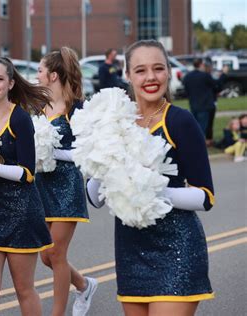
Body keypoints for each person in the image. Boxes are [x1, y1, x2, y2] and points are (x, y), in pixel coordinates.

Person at [87, 40, 215, 316]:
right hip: (130, 250)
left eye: (158, 68)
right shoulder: (116, 122)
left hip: (177, 248)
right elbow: (95, 198)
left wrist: (147, 191)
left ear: (169, 71)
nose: (150, 77)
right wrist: (106, 147)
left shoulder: (180, 121)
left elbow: (205, 197)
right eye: (141, 70)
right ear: (127, 74)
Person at [0, 57, 53, 316]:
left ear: (10, 83)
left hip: (21, 212)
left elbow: (27, 173)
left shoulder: (20, 119)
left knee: (23, 289)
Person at [35, 47, 97, 316]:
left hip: (66, 187)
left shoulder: (77, 109)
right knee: (46, 256)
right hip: (40, 186)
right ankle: (84, 285)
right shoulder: (39, 105)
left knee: (56, 254)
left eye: (39, 70)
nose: (36, 75)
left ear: (53, 75)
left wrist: (52, 151)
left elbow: (87, 151)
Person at [182, 58, 217, 139]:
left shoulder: (188, 76)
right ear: (201, 65)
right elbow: (215, 85)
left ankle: (194, 141)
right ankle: (199, 144)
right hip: (205, 105)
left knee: (195, 127)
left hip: (193, 105)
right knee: (202, 127)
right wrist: (223, 75)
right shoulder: (205, 75)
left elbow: (185, 90)